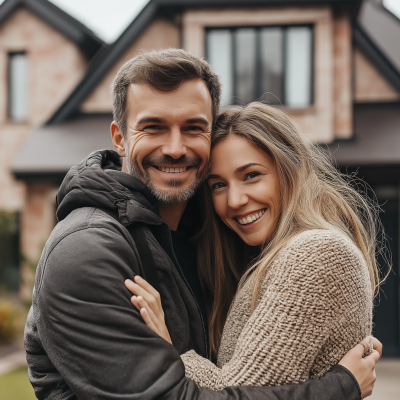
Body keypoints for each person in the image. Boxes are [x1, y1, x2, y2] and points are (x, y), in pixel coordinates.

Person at [24, 49, 380, 400]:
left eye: (193, 127)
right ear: (119, 137)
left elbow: (238, 385)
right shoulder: (89, 249)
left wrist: (169, 349)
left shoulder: (257, 245)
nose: (176, 148)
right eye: (154, 127)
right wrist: (340, 388)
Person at [125, 101, 382, 395]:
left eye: (251, 175)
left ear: (290, 169)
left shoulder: (317, 252)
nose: (234, 200)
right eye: (218, 185)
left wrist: (167, 350)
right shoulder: (265, 256)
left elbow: (238, 392)